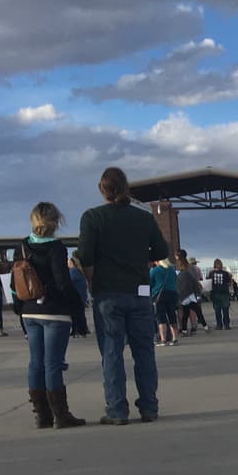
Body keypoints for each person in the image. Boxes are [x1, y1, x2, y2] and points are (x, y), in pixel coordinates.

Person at [77, 166, 168, 425]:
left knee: (112, 352)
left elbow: (85, 255)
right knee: (144, 352)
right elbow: (160, 249)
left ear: (101, 189)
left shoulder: (92, 217)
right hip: (139, 291)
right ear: (126, 187)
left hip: (107, 292)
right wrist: (139, 256)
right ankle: (149, 407)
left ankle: (117, 409)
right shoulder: (144, 217)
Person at [20, 202, 86, 428]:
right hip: (54, 312)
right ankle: (61, 415)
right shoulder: (57, 248)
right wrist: (76, 303)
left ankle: (42, 415)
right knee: (53, 364)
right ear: (56, 221)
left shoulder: (24, 245)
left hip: (29, 311)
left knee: (35, 363)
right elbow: (62, 282)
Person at [175, 250, 209, 334]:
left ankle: (184, 330)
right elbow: (195, 280)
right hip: (190, 293)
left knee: (184, 313)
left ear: (178, 256)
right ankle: (199, 326)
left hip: (181, 294)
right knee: (196, 311)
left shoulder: (176, 267)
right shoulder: (190, 267)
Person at [151, 257, 180, 346]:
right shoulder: (171, 270)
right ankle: (175, 338)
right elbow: (176, 281)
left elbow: (150, 283)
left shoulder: (154, 270)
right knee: (172, 316)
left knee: (161, 317)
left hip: (159, 296)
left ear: (158, 261)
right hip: (172, 294)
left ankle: (163, 340)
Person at [206, 259, 233, 329]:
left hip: (215, 294)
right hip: (224, 293)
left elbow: (208, 283)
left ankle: (219, 325)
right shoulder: (226, 273)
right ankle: (227, 325)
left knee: (217, 310)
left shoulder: (211, 273)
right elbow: (229, 283)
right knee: (225, 310)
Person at [68, 256, 90, 337]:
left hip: (76, 297)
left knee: (75, 315)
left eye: (69, 262)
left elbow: (68, 280)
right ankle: (81, 330)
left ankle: (78, 330)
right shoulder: (79, 271)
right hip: (81, 296)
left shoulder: (73, 271)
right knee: (80, 314)